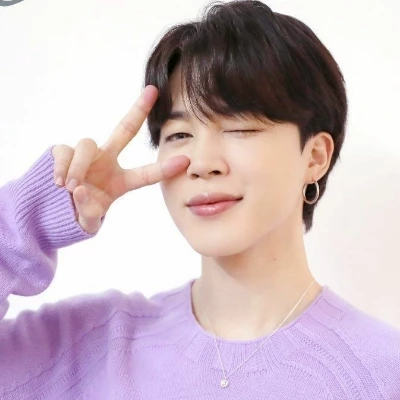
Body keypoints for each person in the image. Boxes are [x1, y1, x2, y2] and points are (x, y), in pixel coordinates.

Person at [0, 0, 399, 398]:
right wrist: (36, 215)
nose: (202, 163)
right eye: (179, 135)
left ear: (315, 157)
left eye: (239, 128)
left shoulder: (382, 372)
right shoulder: (88, 348)